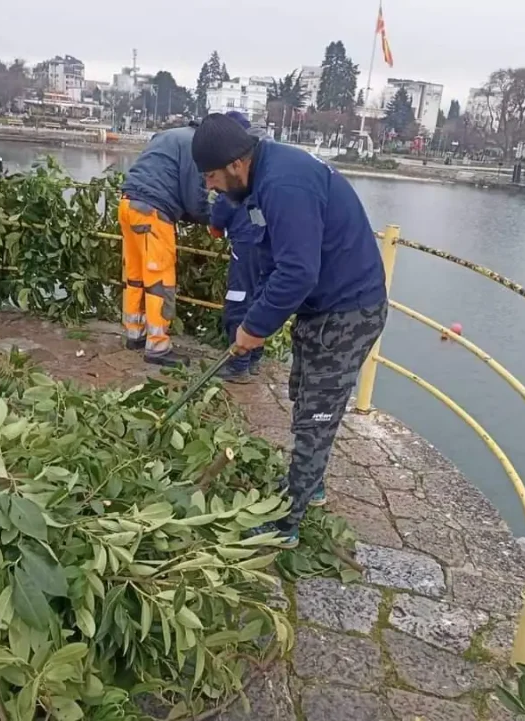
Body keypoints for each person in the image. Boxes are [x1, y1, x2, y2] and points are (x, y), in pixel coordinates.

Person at [191, 113, 388, 548]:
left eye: (211, 177)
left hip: (347, 312)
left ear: (235, 166)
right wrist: (253, 319)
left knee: (315, 415)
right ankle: (309, 483)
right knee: (304, 396)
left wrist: (253, 328)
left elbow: (297, 272)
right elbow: (274, 260)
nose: (210, 188)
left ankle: (285, 523)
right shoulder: (264, 176)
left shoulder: (284, 185)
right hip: (323, 310)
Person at [120, 124, 209, 367]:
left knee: (135, 275)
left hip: (128, 205)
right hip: (152, 212)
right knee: (160, 280)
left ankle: (134, 333)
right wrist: (212, 217)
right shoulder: (195, 146)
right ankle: (157, 346)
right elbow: (194, 198)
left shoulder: (169, 135)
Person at [209, 112, 269, 383]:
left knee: (238, 300)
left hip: (245, 247)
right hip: (266, 245)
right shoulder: (263, 171)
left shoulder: (232, 179)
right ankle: (254, 358)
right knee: (261, 298)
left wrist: (216, 226)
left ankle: (238, 364)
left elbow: (220, 211)